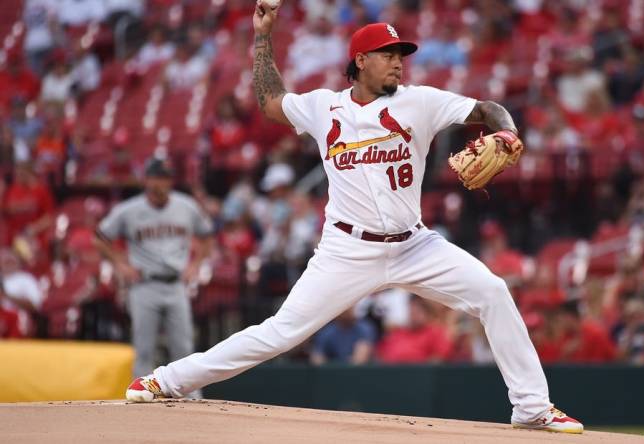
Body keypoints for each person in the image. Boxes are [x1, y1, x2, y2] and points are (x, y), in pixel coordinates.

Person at [125, 4, 583, 434]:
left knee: (493, 291)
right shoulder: (324, 106)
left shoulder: (419, 101)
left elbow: (485, 109)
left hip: (414, 244)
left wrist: (506, 130)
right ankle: (166, 380)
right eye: (388, 55)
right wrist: (263, 37)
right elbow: (270, 101)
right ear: (360, 60)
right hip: (347, 249)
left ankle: (531, 408)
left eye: (401, 54)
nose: (399, 63)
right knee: (279, 334)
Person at [94, 158, 214, 384]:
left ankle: (191, 399)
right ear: (146, 180)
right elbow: (100, 238)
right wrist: (119, 264)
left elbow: (207, 236)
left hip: (176, 284)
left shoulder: (186, 206)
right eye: (156, 178)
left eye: (164, 178)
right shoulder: (128, 210)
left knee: (184, 348)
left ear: (170, 181)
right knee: (144, 350)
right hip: (144, 285)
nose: (160, 183)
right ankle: (140, 398)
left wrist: (195, 265)